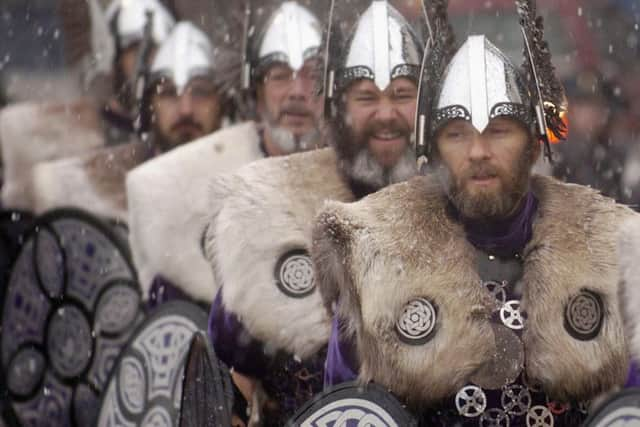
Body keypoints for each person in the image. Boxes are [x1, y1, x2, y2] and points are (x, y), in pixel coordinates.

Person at [311, 0, 639, 425]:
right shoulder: (372, 252)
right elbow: (348, 406)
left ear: (534, 143)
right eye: (458, 134)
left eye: (499, 131)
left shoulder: (611, 249)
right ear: (433, 149)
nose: (479, 152)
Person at [204, 1, 426, 424]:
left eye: (402, 93)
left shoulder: (461, 208)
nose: (385, 113)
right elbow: (235, 377)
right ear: (339, 104)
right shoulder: (272, 210)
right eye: (366, 96)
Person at [125, 0, 328, 307]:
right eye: (280, 75)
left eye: (312, 75)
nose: (297, 91)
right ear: (256, 89)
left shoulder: (354, 173)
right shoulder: (181, 191)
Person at [29, 22, 222, 222]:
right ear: (150, 105)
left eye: (200, 91)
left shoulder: (246, 182)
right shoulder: (109, 197)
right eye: (168, 93)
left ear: (221, 103)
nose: (186, 109)